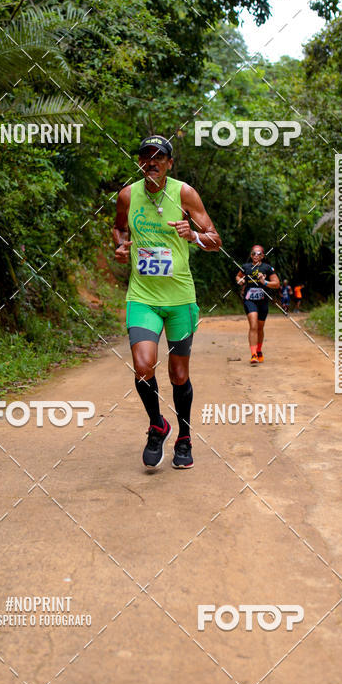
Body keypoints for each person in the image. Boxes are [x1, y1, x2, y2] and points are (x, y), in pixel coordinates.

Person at [113, 135, 221, 470]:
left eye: (159, 157)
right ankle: (157, 424)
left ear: (170, 163)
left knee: (177, 374)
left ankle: (184, 438)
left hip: (179, 299)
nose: (152, 162)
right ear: (140, 162)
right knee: (143, 366)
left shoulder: (184, 193)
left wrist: (194, 236)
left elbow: (215, 241)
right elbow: (118, 229)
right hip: (142, 297)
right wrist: (121, 246)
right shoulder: (127, 196)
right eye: (146, 156)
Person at [235, 245, 280, 365]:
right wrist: (240, 280)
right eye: (254, 253)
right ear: (251, 255)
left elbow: (276, 284)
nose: (256, 256)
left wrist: (264, 282)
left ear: (263, 256)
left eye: (259, 253)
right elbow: (238, 276)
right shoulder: (246, 267)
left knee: (260, 327)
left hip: (263, 301)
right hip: (249, 300)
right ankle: (253, 354)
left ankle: (259, 351)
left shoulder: (267, 268)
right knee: (253, 325)